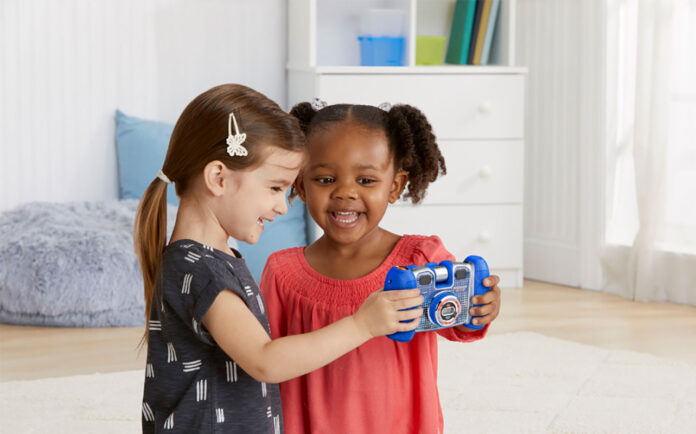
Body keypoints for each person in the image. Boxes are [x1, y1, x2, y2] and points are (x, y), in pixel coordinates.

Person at [133, 85, 424, 434]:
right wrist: (361, 325)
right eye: (274, 188)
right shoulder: (199, 269)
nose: (283, 206)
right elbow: (265, 361)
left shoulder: (211, 260)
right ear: (218, 178)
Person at [260, 100, 502, 434]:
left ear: (395, 186)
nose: (345, 192)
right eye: (326, 178)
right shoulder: (283, 274)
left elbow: (456, 324)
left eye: (366, 180)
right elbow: (265, 362)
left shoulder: (421, 258)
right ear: (300, 185)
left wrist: (480, 310)